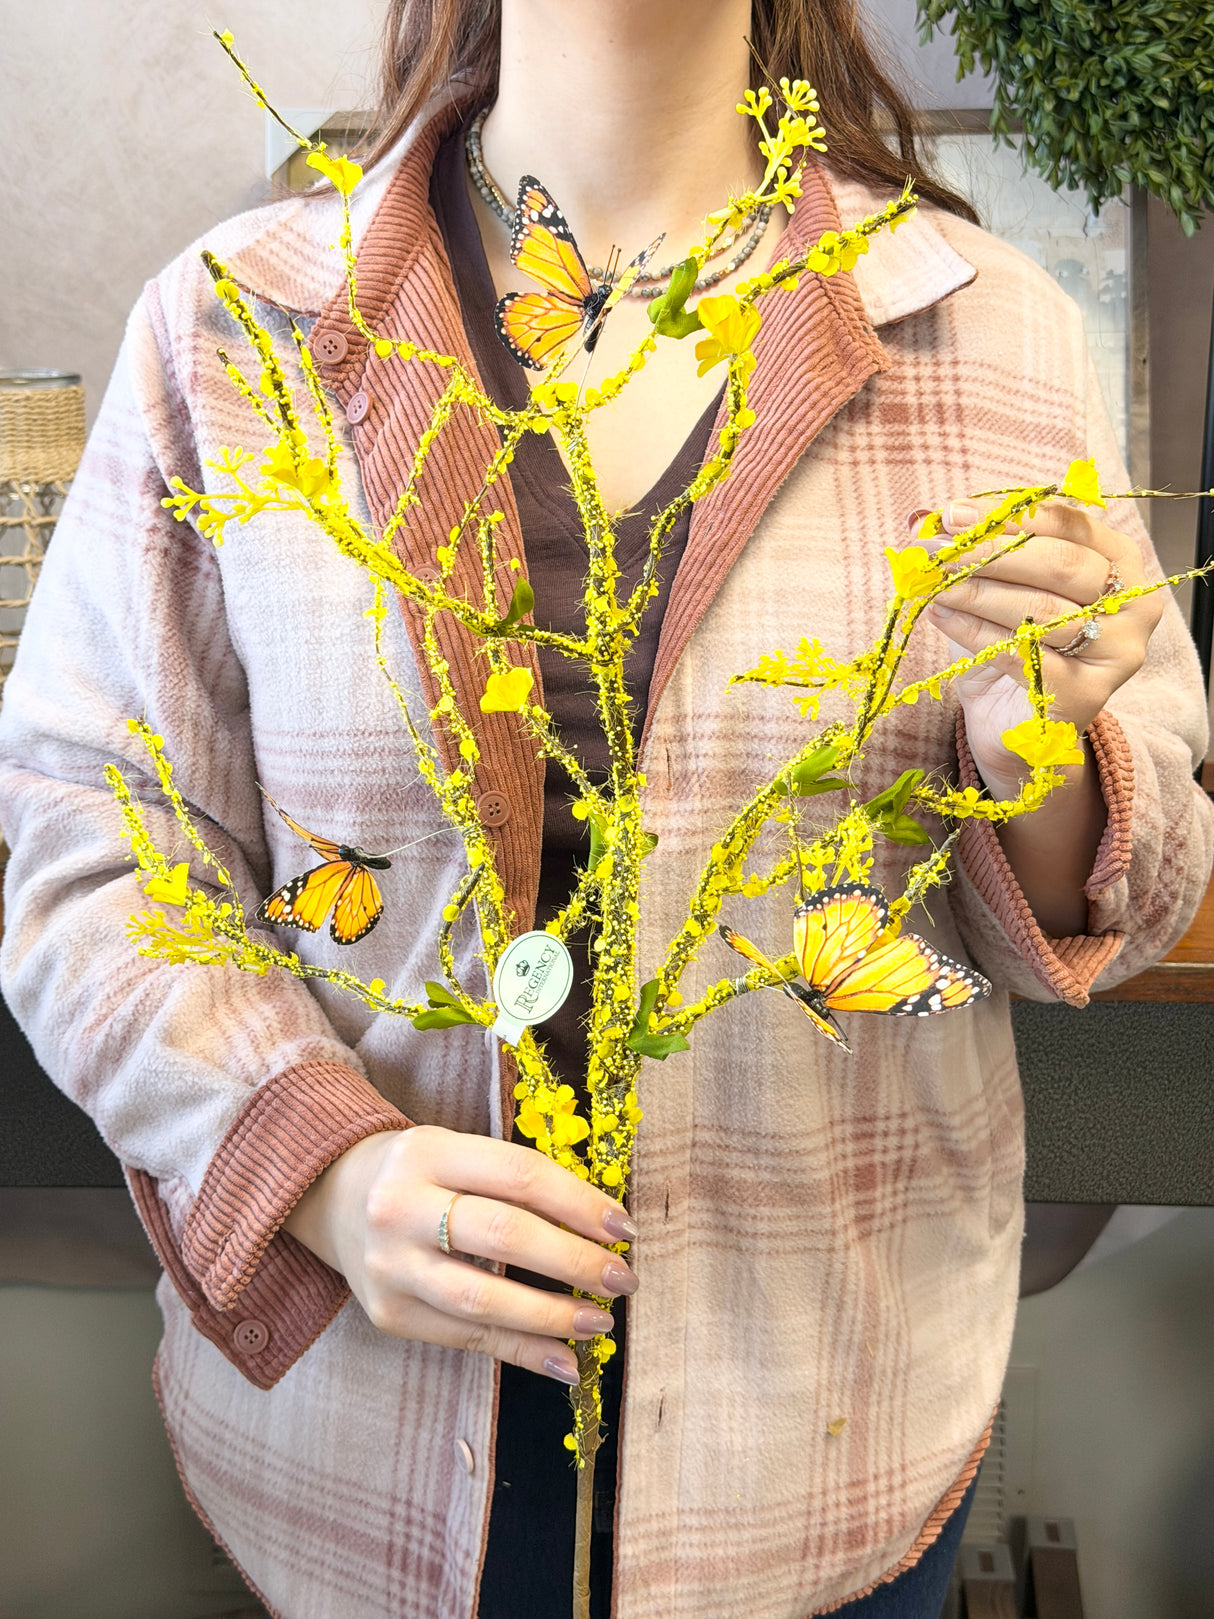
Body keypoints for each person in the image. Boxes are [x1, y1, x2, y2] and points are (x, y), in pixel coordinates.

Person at [1, 2, 1210, 1616]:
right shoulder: (230, 332)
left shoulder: (988, 334)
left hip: (824, 1442)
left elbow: (1137, 888)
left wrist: (1035, 763)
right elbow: (94, 841)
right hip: (365, 1439)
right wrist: (316, 1168)